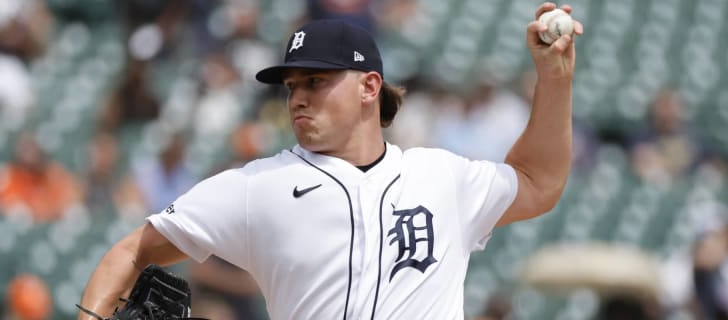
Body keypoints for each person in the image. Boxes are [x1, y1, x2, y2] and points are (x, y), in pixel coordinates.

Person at [79, 3, 583, 319]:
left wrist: (555, 80)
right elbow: (131, 251)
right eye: (292, 86)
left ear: (369, 87)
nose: (297, 97)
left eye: (316, 81)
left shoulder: (442, 177)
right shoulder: (257, 186)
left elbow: (538, 181)